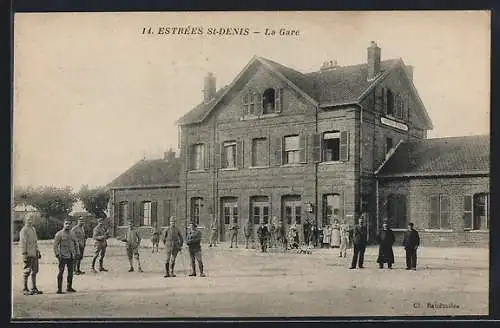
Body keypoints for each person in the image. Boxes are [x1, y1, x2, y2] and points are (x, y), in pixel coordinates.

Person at [54, 218, 80, 294]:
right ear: (63, 224)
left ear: (71, 225)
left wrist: (77, 253)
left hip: (71, 256)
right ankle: (59, 289)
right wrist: (57, 254)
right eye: (66, 223)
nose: (68, 225)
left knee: (71, 272)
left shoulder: (72, 234)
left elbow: (76, 243)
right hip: (62, 256)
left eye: (69, 224)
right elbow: (55, 245)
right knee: (61, 272)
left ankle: (69, 287)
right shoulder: (59, 234)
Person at [19, 213, 43, 295]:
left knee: (35, 271)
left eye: (32, 219)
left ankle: (34, 288)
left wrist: (38, 251)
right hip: (28, 254)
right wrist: (24, 254)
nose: (30, 221)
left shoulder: (33, 229)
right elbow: (23, 243)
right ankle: (25, 288)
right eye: (29, 219)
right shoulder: (24, 230)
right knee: (27, 271)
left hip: (34, 254)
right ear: (25, 220)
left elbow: (35, 242)